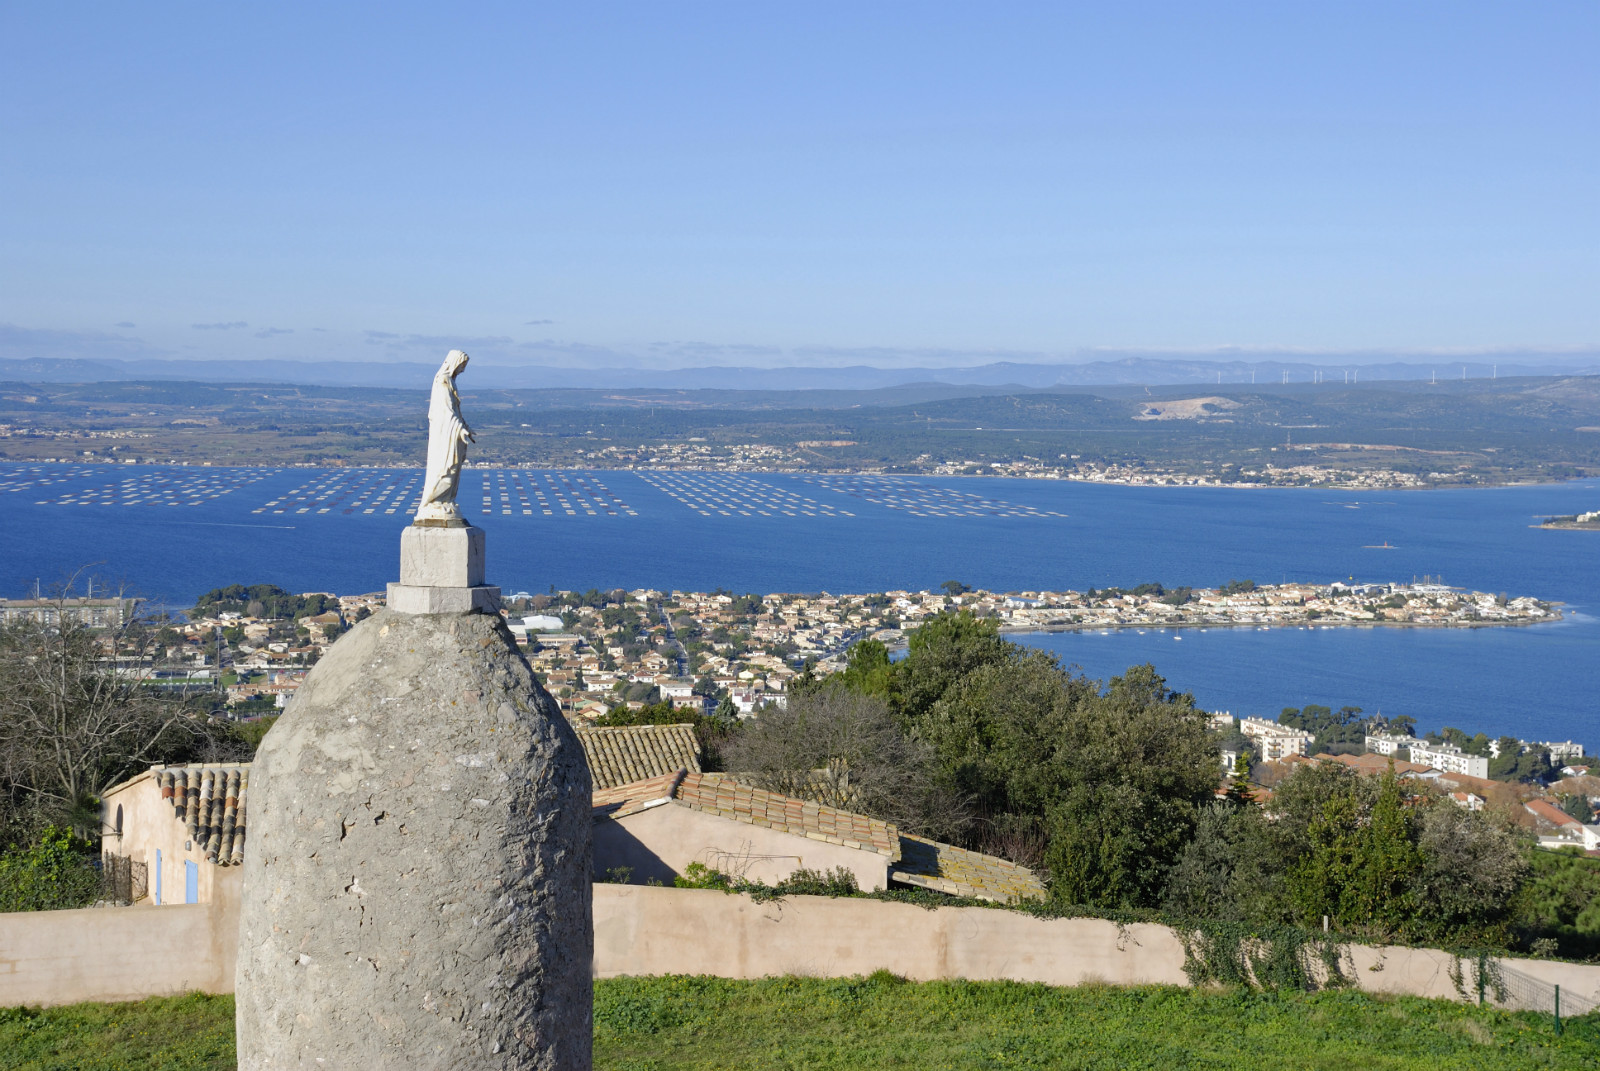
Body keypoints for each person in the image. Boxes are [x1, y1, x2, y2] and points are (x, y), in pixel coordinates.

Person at [416, 349, 474, 522]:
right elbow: (445, 411)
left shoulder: (449, 381)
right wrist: (459, 428)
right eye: (462, 365)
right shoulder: (443, 381)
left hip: (451, 431)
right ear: (455, 363)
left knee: (453, 469)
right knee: (445, 468)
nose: (463, 370)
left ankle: (445, 500)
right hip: (444, 434)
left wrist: (465, 426)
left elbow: (455, 411)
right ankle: (434, 502)